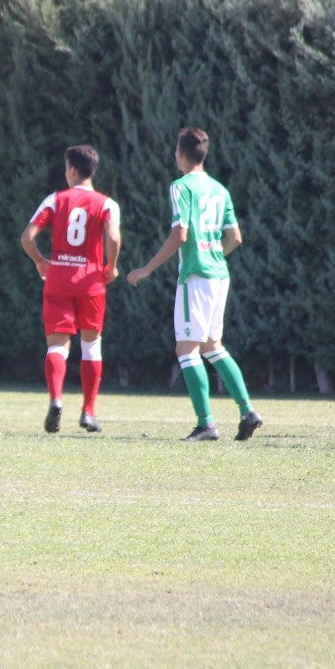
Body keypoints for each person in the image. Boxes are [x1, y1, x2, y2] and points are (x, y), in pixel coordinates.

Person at [126, 127, 263, 442]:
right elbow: (236, 238)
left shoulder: (180, 187)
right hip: (219, 274)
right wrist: (213, 252)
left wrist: (146, 269)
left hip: (196, 276)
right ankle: (247, 411)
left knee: (186, 349)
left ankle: (206, 424)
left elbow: (180, 235)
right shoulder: (219, 189)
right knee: (213, 346)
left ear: (181, 154)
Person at [20, 145, 121, 435]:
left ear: (73, 170)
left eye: (66, 168)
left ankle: (56, 399)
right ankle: (88, 412)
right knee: (91, 346)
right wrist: (111, 266)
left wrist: (41, 261)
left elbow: (27, 237)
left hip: (59, 279)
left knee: (56, 346)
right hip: (91, 281)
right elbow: (113, 236)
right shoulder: (106, 203)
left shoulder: (55, 199)